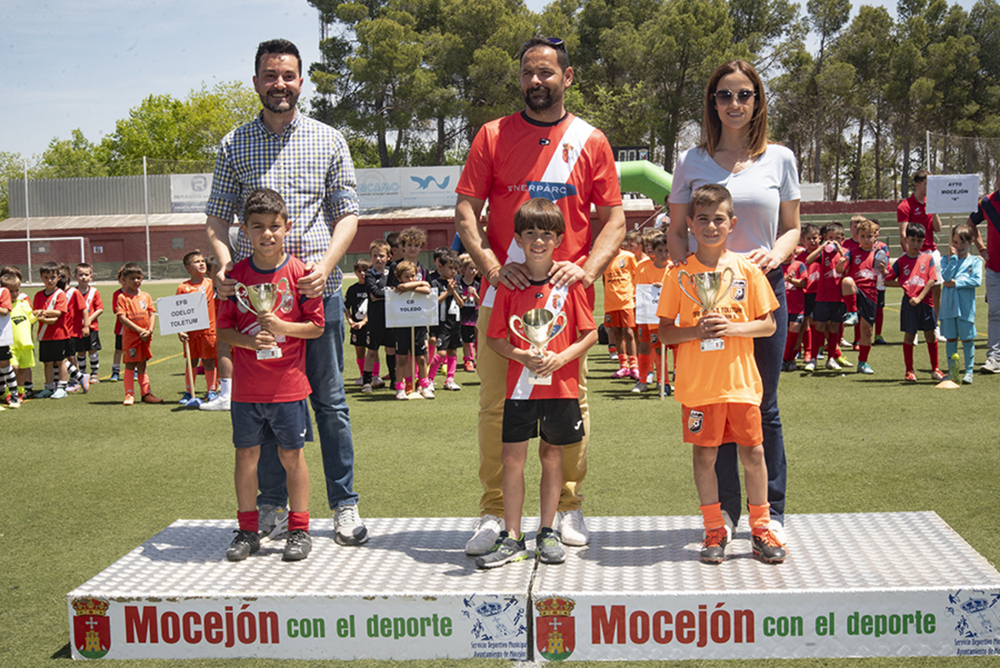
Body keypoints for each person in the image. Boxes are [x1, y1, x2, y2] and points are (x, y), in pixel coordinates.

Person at [455, 36, 625, 554]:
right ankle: (492, 514)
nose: (536, 81)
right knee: (494, 407)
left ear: (567, 78)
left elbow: (614, 219)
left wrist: (587, 271)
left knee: (571, 403)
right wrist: (489, 266)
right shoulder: (491, 135)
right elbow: (465, 213)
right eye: (528, 72)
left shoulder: (590, 140)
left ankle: (569, 506)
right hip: (503, 295)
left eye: (546, 72)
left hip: (563, 303)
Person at [204, 38, 367, 547]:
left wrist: (325, 266)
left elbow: (348, 213)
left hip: (317, 293)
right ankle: (271, 507)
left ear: (301, 81)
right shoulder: (234, 143)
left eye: (288, 75)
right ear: (256, 82)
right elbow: (216, 218)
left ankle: (344, 505)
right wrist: (223, 266)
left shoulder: (328, 139)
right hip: (255, 300)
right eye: (270, 75)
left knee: (330, 403)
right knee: (265, 404)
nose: (279, 84)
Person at [666, 60, 800, 541]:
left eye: (744, 94)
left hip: (761, 292)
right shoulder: (692, 160)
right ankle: (722, 514)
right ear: (712, 102)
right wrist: (686, 281)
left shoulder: (780, 158)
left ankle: (772, 515)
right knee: (714, 402)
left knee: (763, 404)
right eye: (725, 95)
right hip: (706, 303)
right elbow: (677, 230)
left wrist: (774, 255)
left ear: (757, 101)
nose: (735, 104)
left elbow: (792, 228)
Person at [658, 184, 785, 564]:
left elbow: (768, 326)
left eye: (718, 220)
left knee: (754, 452)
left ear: (731, 224)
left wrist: (732, 329)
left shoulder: (746, 270)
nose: (711, 226)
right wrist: (696, 332)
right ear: (690, 225)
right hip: (699, 386)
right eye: (703, 220)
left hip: (741, 382)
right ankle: (715, 527)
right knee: (705, 455)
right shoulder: (679, 276)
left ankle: (761, 528)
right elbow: (664, 333)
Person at [477, 198, 597, 569]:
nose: (539, 241)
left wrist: (563, 358)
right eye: (530, 234)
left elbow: (591, 334)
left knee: (552, 456)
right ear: (518, 238)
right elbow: (496, 338)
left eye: (546, 234)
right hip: (520, 388)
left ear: (558, 239)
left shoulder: (570, 284)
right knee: (513, 458)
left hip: (560, 387)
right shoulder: (510, 284)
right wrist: (521, 356)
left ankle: (547, 531)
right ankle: (512, 536)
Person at [217, 188, 324, 562]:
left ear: (287, 227)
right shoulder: (235, 277)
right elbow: (223, 331)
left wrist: (281, 325)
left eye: (275, 226)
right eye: (258, 227)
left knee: (292, 457)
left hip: (288, 386)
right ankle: (247, 530)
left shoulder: (302, 274)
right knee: (245, 455)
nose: (267, 234)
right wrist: (247, 341)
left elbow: (316, 327)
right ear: (244, 230)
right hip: (247, 389)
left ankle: (299, 529)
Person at [884, 224, 944, 382]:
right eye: (913, 240)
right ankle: (909, 371)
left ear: (923, 241)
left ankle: (935, 369)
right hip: (909, 304)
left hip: (926, 302)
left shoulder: (927, 258)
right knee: (909, 335)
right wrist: (905, 285)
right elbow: (888, 280)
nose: (916, 244)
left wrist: (919, 297)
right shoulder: (902, 261)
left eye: (919, 240)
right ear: (906, 240)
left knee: (930, 334)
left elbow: (932, 280)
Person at [897, 169, 944, 342]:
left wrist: (935, 207)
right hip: (915, 254)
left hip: (932, 252)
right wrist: (911, 254)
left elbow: (938, 228)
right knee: (913, 289)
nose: (931, 186)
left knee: (936, 288)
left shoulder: (930, 203)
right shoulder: (905, 205)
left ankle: (934, 325)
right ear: (918, 184)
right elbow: (903, 233)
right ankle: (914, 329)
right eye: (927, 183)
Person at [388, 227, 433, 399]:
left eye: (416, 245)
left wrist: (409, 286)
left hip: (419, 317)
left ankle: (424, 385)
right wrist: (413, 286)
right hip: (401, 318)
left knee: (421, 356)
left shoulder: (423, 269)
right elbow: (396, 289)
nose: (412, 248)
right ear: (403, 247)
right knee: (402, 357)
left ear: (421, 247)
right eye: (409, 245)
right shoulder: (395, 267)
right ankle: (402, 386)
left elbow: (428, 289)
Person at [837, 219, 882, 374]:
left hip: (871, 294)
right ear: (857, 236)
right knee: (847, 281)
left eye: (869, 236)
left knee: (867, 331)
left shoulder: (879, 253)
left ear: (875, 236)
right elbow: (839, 271)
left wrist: (883, 271)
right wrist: (840, 264)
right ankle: (852, 313)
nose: (866, 239)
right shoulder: (852, 253)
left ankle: (862, 363)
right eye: (863, 236)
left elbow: (886, 274)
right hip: (856, 291)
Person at [966, 165, 1000, 373]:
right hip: (995, 268)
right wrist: (981, 247)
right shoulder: (986, 202)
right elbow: (970, 224)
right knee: (995, 313)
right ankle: (995, 357)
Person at [939, 224, 983, 384]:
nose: (959, 246)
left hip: (965, 308)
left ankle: (969, 371)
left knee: (967, 339)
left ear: (971, 242)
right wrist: (953, 260)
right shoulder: (946, 259)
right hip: (948, 307)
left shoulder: (975, 261)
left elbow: (976, 280)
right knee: (951, 339)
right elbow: (945, 277)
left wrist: (957, 282)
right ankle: (952, 371)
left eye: (963, 243)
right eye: (956, 242)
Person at [176, 251, 218, 407]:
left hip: (209, 330)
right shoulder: (183, 287)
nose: (201, 263)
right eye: (196, 261)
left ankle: (211, 391)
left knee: (208, 361)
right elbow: (178, 312)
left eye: (202, 261)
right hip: (191, 332)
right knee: (191, 361)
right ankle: (189, 391)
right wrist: (180, 330)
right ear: (188, 268)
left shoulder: (211, 283)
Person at [115, 265, 162, 405]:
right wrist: (139, 330)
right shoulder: (122, 297)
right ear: (124, 280)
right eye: (132, 278)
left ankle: (146, 393)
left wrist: (150, 330)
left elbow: (151, 313)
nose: (136, 281)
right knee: (130, 364)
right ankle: (129, 394)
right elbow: (122, 317)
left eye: (139, 278)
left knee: (142, 364)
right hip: (131, 338)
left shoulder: (145, 296)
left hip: (146, 337)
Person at [632, 233, 672, 393]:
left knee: (660, 347)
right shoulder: (643, 267)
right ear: (653, 251)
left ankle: (663, 382)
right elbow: (641, 290)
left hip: (662, 315)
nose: (664, 254)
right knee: (644, 346)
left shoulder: (672, 268)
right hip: (646, 314)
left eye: (667, 250)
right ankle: (642, 380)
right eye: (661, 250)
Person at [32, 262, 71, 399]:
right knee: (47, 362)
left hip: (59, 334)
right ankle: (49, 387)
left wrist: (43, 314)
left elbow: (58, 313)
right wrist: (45, 316)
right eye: (47, 277)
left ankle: (62, 387)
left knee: (60, 361)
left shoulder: (60, 294)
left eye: (53, 277)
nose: (50, 280)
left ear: (58, 277)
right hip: (44, 335)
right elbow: (34, 313)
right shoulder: (38, 295)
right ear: (42, 278)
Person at [428, 249, 465, 391]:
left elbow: (461, 304)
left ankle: (450, 379)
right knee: (441, 352)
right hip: (441, 324)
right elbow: (433, 303)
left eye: (455, 268)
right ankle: (430, 379)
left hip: (454, 323)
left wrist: (454, 291)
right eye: (450, 268)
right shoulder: (435, 283)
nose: (453, 271)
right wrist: (447, 292)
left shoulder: (457, 283)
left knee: (453, 352)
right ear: (440, 267)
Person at [603, 240, 639, 380]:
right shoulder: (605, 259)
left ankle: (634, 366)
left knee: (629, 332)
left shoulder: (628, 257)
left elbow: (637, 275)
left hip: (627, 301)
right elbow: (604, 279)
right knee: (616, 333)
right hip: (611, 303)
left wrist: (635, 294)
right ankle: (623, 366)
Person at [362, 240, 392, 393]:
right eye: (375, 256)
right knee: (372, 350)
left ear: (388, 257)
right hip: (375, 319)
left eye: (381, 256)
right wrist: (391, 292)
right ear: (370, 257)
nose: (378, 259)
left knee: (391, 349)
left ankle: (394, 380)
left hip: (391, 318)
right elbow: (375, 293)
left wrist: (384, 294)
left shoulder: (392, 273)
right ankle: (367, 381)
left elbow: (383, 293)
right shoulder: (370, 275)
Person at [2, 268, 35, 401]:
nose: (15, 294)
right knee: (13, 368)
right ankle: (11, 392)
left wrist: (39, 316)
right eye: (10, 291)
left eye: (17, 290)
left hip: (25, 343)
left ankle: (20, 391)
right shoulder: (4, 307)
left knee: (22, 369)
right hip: (10, 344)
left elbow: (31, 319)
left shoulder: (24, 304)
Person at [74, 263, 103, 385]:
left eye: (86, 275)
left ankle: (94, 373)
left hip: (92, 327)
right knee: (80, 351)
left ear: (91, 276)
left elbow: (100, 309)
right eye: (80, 275)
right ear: (75, 276)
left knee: (92, 350)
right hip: (77, 328)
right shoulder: (72, 292)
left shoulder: (94, 292)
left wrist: (88, 320)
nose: (84, 277)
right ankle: (82, 373)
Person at [345, 258, 371, 385]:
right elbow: (346, 307)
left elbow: (376, 309)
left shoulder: (372, 288)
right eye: (359, 271)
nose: (362, 274)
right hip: (356, 326)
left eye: (365, 270)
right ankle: (362, 375)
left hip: (370, 325)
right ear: (355, 272)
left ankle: (374, 376)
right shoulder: (352, 289)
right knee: (359, 351)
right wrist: (350, 321)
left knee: (373, 350)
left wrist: (365, 321)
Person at [458, 254, 480, 373]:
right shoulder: (459, 283)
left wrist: (475, 294)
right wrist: (465, 297)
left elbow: (480, 301)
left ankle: (479, 359)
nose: (473, 271)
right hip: (463, 316)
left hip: (475, 315)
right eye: (471, 268)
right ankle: (468, 360)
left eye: (475, 269)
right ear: (464, 270)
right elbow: (457, 298)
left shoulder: (477, 285)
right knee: (466, 340)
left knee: (477, 338)